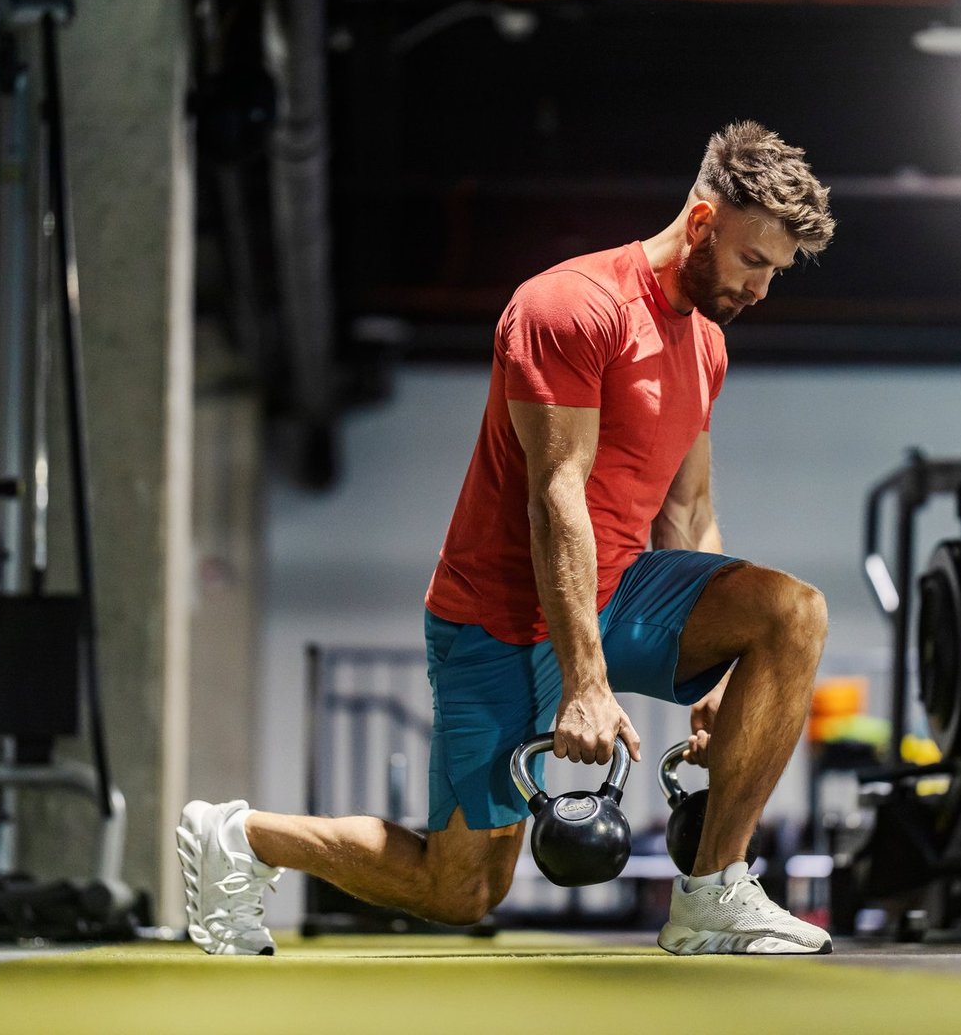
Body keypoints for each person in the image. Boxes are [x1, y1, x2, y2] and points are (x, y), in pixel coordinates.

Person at [178, 119, 836, 956]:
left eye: (776, 273)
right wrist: (585, 683)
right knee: (460, 890)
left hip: (622, 587)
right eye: (753, 263)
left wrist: (727, 669)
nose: (760, 292)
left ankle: (714, 893)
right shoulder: (568, 307)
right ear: (702, 224)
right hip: (497, 616)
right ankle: (241, 836)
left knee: (791, 614)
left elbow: (689, 508)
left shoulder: (705, 344)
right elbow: (554, 500)